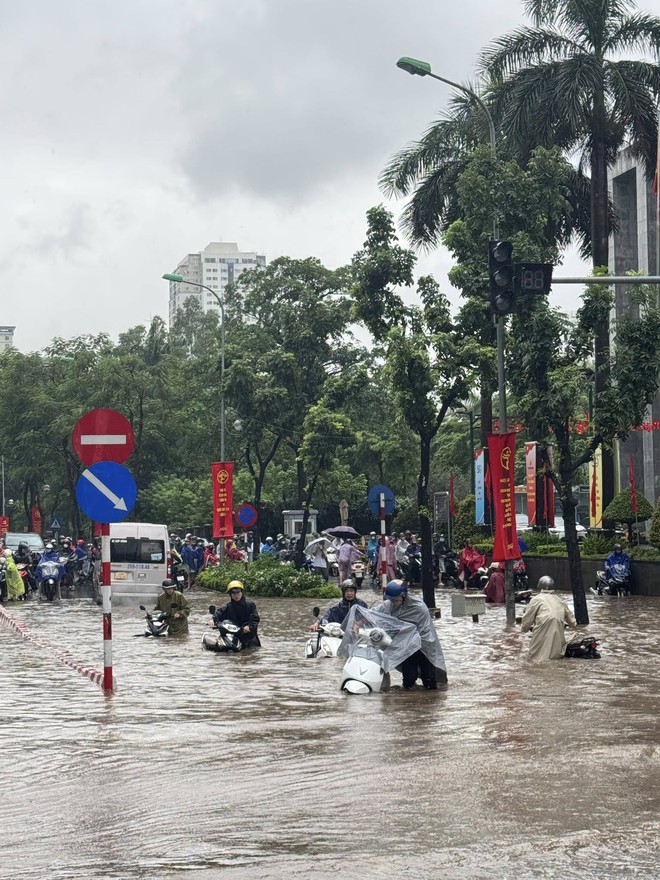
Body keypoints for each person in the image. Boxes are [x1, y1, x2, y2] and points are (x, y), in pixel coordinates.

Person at [377, 580, 448, 688]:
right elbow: (374, 613)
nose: (394, 603)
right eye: (392, 601)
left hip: (424, 647)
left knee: (429, 681)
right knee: (409, 679)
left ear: (404, 596)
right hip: (406, 647)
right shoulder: (389, 606)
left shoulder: (418, 607)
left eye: (397, 600)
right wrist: (359, 622)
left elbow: (425, 631)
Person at [520, 576, 577, 661]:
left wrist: (524, 628)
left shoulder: (536, 599)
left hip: (539, 640)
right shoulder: (560, 601)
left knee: (534, 659)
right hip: (557, 646)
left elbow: (527, 621)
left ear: (540, 587)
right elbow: (573, 623)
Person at [212, 580, 260, 648]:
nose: (236, 595)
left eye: (238, 593)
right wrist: (213, 619)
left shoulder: (250, 605)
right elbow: (219, 613)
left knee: (251, 653)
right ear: (230, 595)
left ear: (242, 592)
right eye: (233, 593)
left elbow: (255, 618)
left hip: (249, 637)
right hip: (234, 635)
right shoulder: (228, 607)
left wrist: (249, 626)